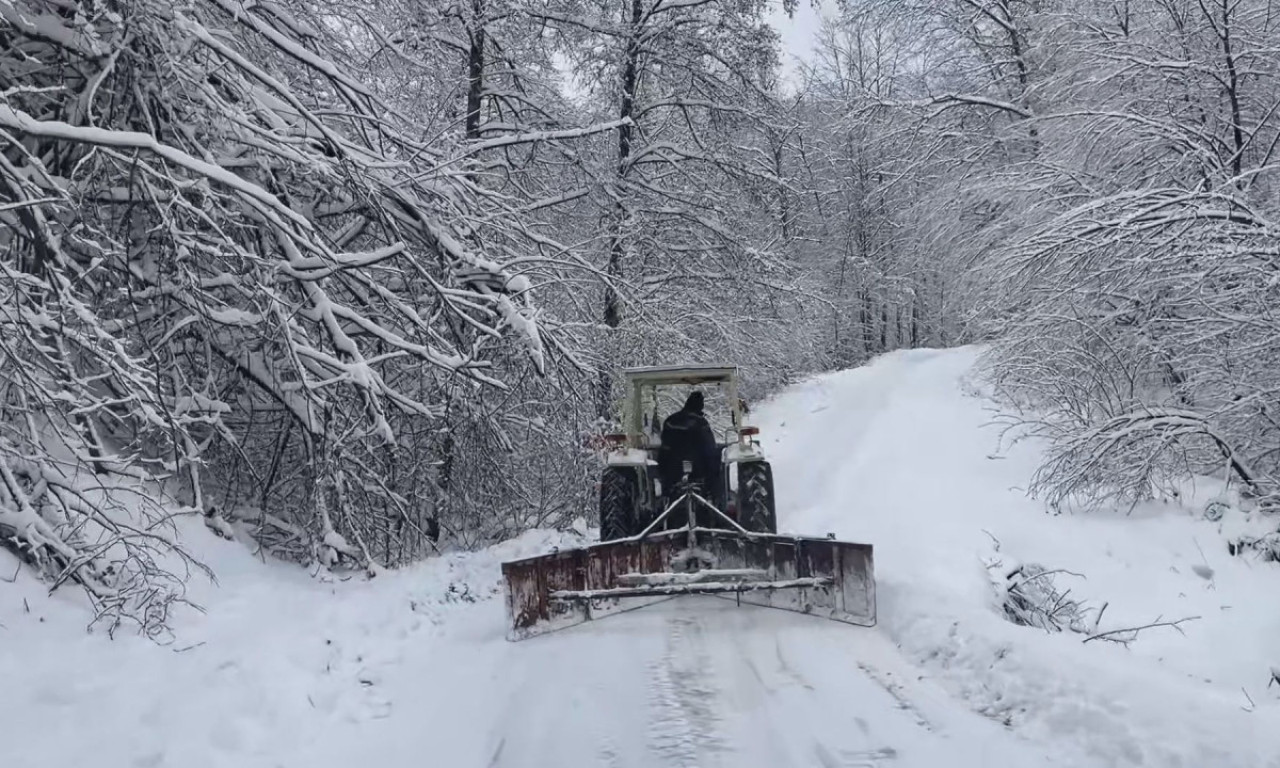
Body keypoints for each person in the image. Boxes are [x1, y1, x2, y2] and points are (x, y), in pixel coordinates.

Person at [658, 391, 722, 516]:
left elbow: (665, 446)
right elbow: (709, 448)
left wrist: (663, 471)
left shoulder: (671, 421)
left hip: (673, 469)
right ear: (700, 406)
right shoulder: (701, 423)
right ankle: (715, 503)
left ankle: (664, 502)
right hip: (699, 469)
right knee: (714, 467)